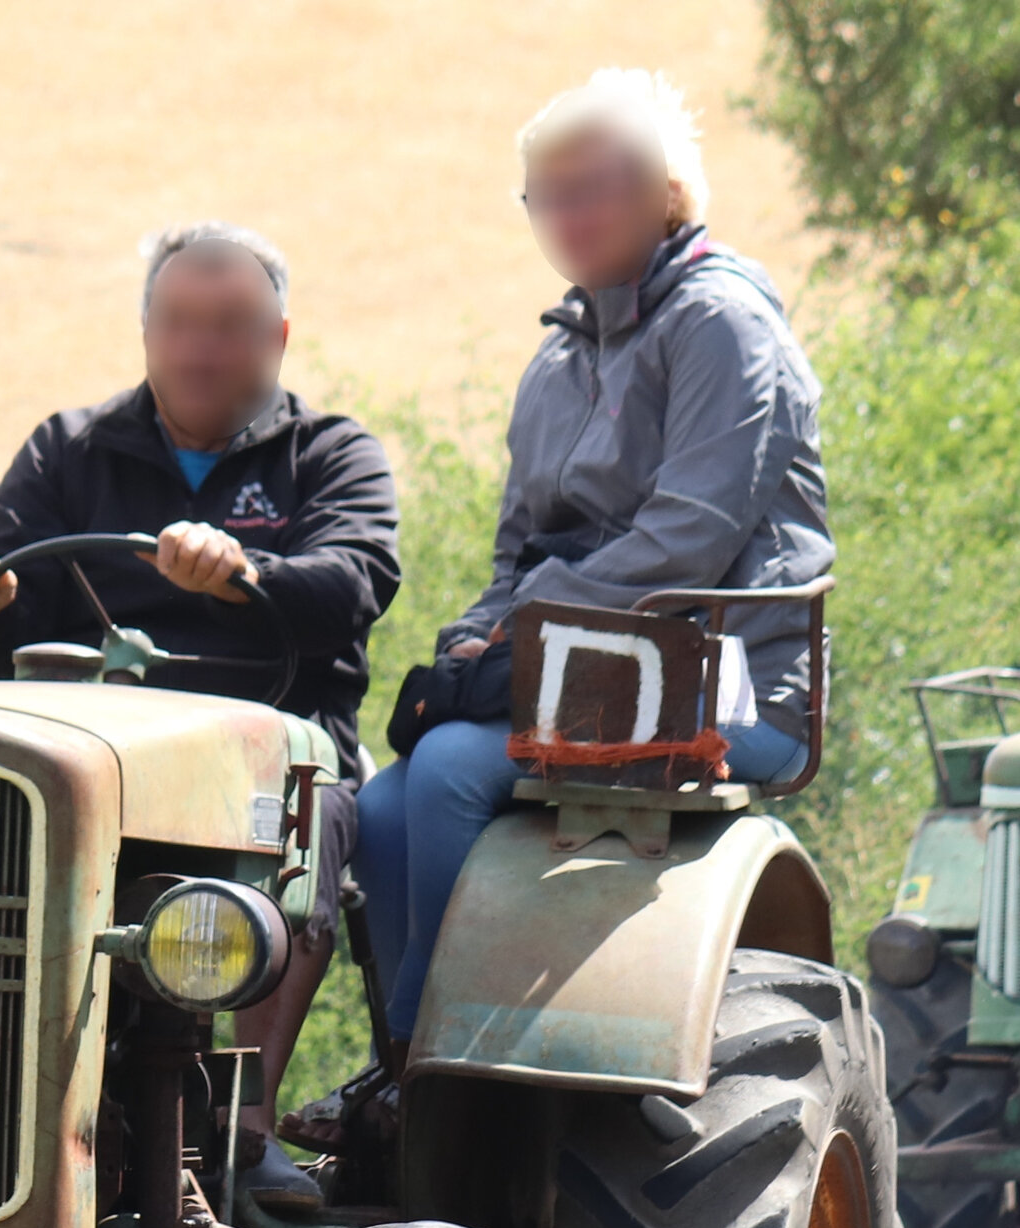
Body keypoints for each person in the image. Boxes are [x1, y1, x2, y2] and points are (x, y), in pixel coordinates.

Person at [355, 68, 835, 1063]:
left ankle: (427, 1061)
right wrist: (475, 632)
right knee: (382, 800)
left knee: (445, 770)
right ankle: (402, 1063)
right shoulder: (558, 361)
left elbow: (691, 534)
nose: (569, 214)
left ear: (666, 191)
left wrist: (527, 618)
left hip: (723, 679)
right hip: (586, 671)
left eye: (595, 186)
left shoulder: (720, 324)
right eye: (549, 195)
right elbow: (515, 551)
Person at [0, 223, 401, 1209]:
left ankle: (243, 1121)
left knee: (300, 800)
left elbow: (355, 584)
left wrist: (247, 575)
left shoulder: (329, 455)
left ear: (277, 338)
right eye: (180, 323)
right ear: (147, 333)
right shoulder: (70, 449)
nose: (199, 350)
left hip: (269, 742)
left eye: (228, 327)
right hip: (94, 747)